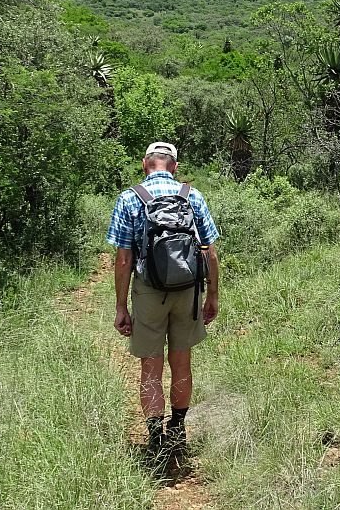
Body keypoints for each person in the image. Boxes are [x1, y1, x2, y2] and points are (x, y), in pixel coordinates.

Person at [106, 141, 220, 458]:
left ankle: (156, 438)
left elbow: (124, 259)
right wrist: (211, 295)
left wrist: (120, 306)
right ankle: (178, 430)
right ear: (174, 167)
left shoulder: (130, 198)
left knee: (151, 368)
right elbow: (209, 251)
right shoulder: (192, 196)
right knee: (181, 363)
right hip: (188, 290)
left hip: (148, 291)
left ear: (145, 165)